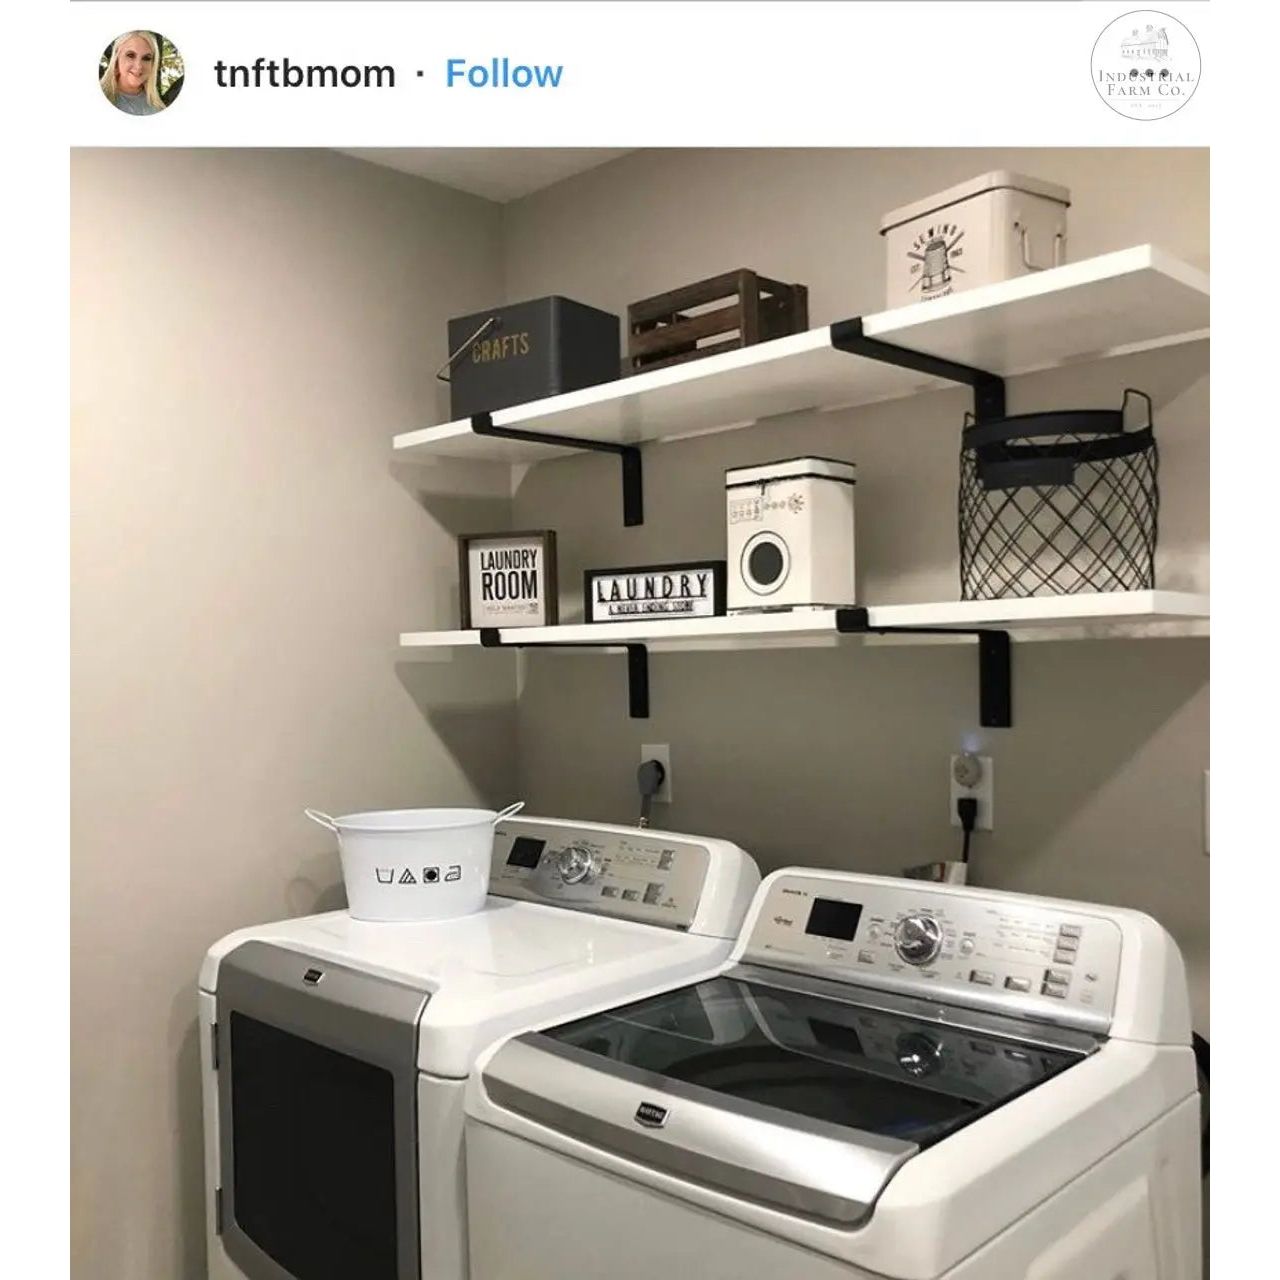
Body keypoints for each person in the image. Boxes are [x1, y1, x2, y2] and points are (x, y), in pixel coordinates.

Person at [100, 32, 166, 116]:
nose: (138, 66)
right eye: (130, 55)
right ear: (116, 60)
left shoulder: (158, 107)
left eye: (146, 58)